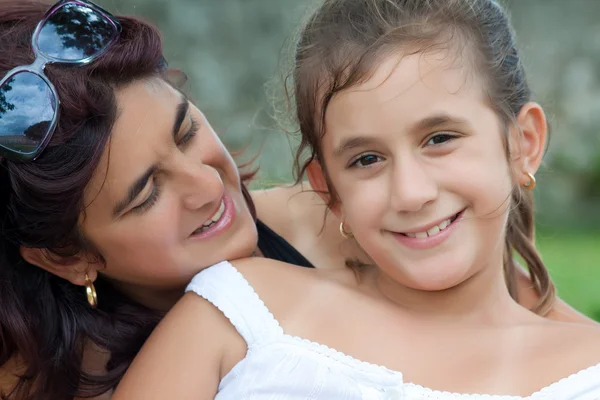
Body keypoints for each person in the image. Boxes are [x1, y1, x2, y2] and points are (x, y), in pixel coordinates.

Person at [0, 0, 594, 399]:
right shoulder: (228, 310)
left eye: (187, 132)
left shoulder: (328, 221)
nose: (209, 186)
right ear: (66, 257)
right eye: (147, 193)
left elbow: (535, 319)